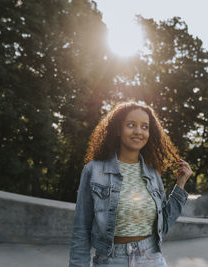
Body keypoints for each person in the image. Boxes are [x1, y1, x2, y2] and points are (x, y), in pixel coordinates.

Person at [69, 101, 192, 267]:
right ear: (118, 129)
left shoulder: (153, 174)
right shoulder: (94, 170)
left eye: (144, 127)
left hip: (152, 258)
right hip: (111, 260)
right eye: (131, 125)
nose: (138, 132)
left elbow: (163, 225)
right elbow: (81, 229)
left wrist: (180, 185)